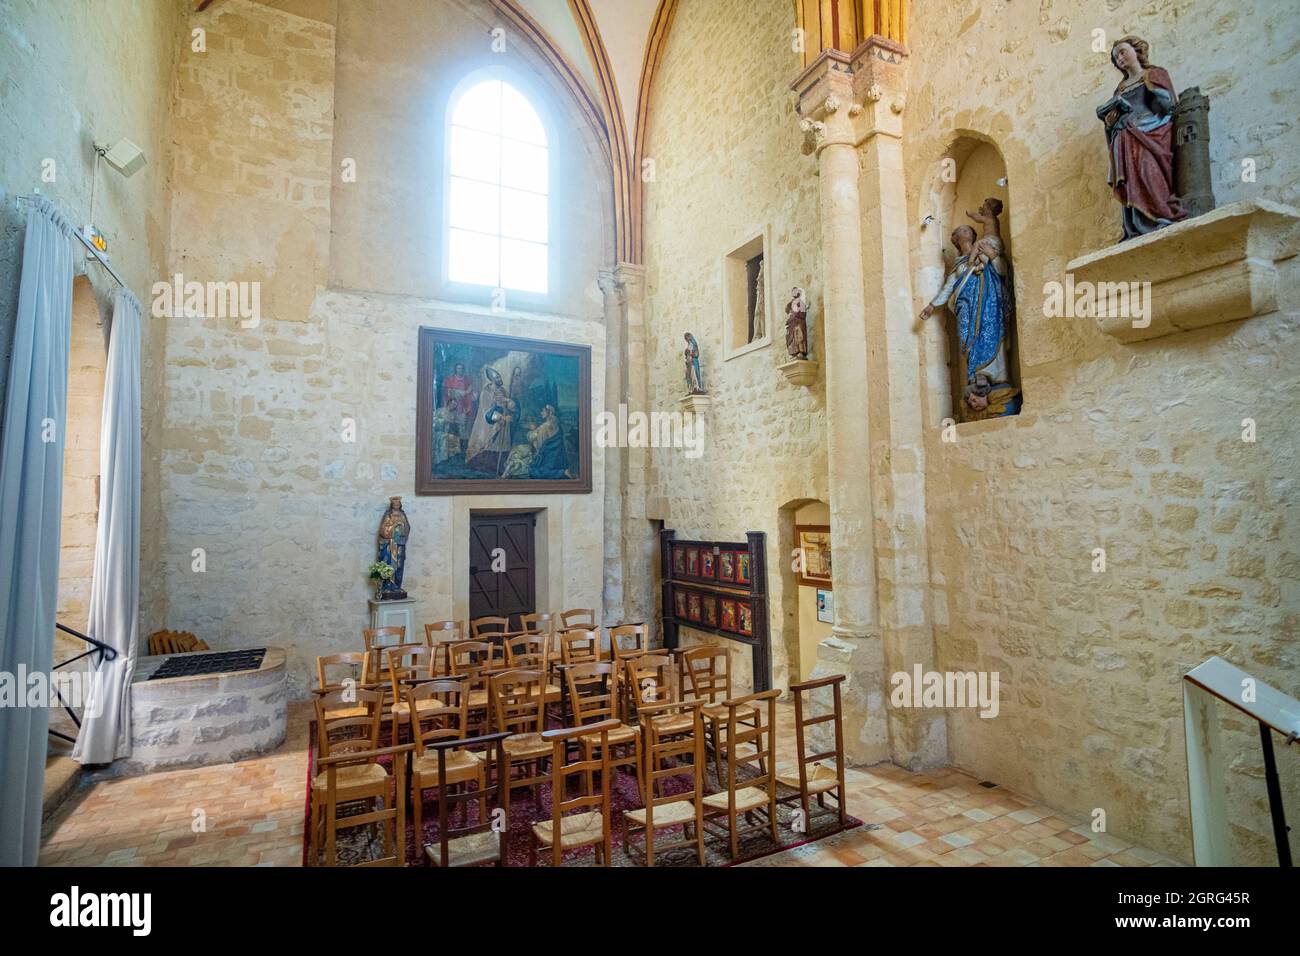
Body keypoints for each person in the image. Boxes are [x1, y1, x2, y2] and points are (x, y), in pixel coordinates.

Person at [1097, 35, 1186, 240]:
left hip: (1151, 132)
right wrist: (1110, 121)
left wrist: (1155, 91)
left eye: (1122, 52)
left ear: (1136, 51)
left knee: (1149, 169)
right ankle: (1136, 225)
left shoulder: (1154, 74)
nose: (1119, 58)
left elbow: (1169, 107)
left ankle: (1160, 215)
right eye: (1115, 57)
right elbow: (1113, 121)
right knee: (1130, 177)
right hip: (1125, 137)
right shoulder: (1120, 89)